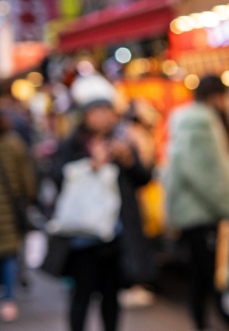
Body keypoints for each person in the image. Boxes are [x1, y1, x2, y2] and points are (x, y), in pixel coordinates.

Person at [48, 75, 153, 331]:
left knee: (111, 297)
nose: (104, 116)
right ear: (84, 115)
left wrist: (129, 161)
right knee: (81, 296)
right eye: (97, 110)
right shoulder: (71, 145)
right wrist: (90, 166)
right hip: (82, 237)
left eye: (107, 110)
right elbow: (56, 177)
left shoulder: (122, 143)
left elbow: (144, 179)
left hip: (116, 236)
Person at [164, 76, 229, 331]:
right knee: (213, 275)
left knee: (198, 276)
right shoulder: (201, 123)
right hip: (203, 213)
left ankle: (201, 322)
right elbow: (207, 174)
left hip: (189, 212)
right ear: (215, 96)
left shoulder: (184, 121)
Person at [0, 112, 36, 322]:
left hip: (8, 206)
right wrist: (29, 196)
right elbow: (26, 174)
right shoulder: (14, 142)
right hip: (10, 207)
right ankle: (9, 300)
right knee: (10, 253)